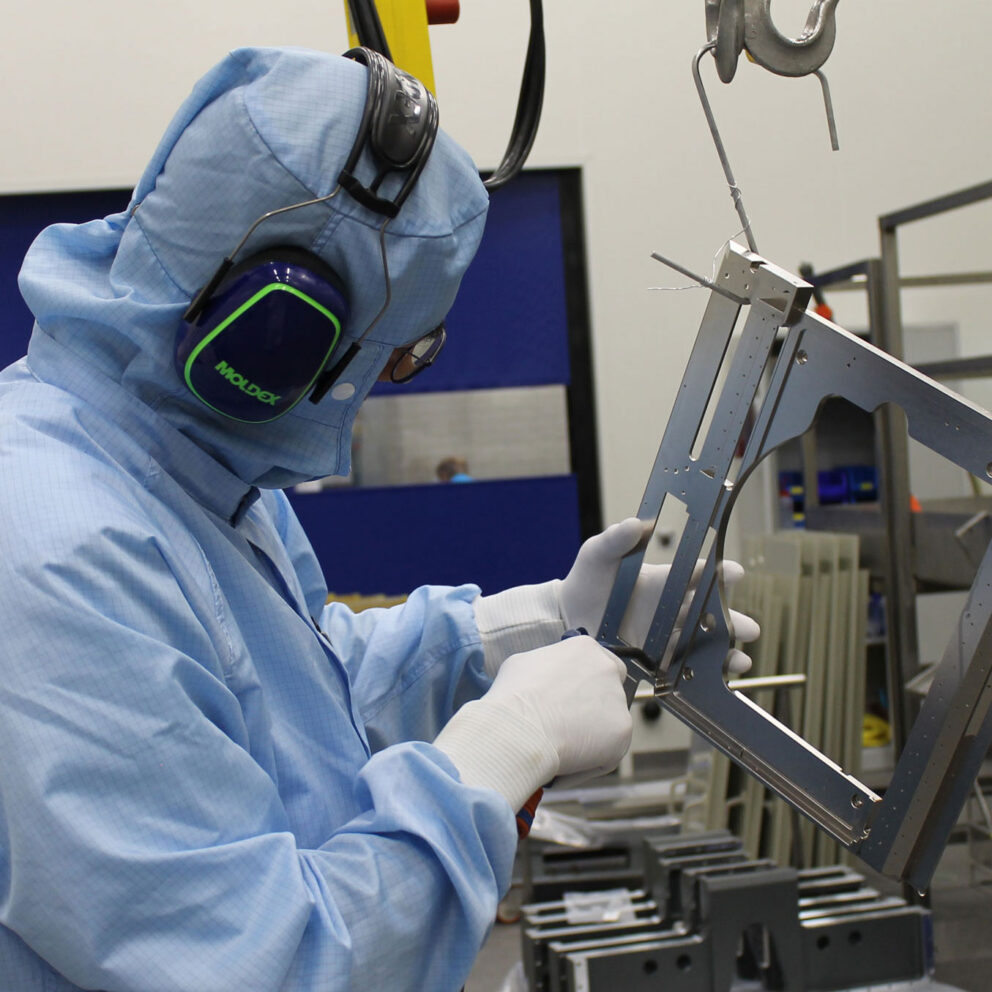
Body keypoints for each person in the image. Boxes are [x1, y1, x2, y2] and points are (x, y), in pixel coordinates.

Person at [0, 47, 757, 992]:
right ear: (272, 341)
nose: (370, 401)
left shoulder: (188, 473)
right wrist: (503, 749)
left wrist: (536, 624)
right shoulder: (57, 553)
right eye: (394, 361)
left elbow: (299, 694)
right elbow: (268, 966)